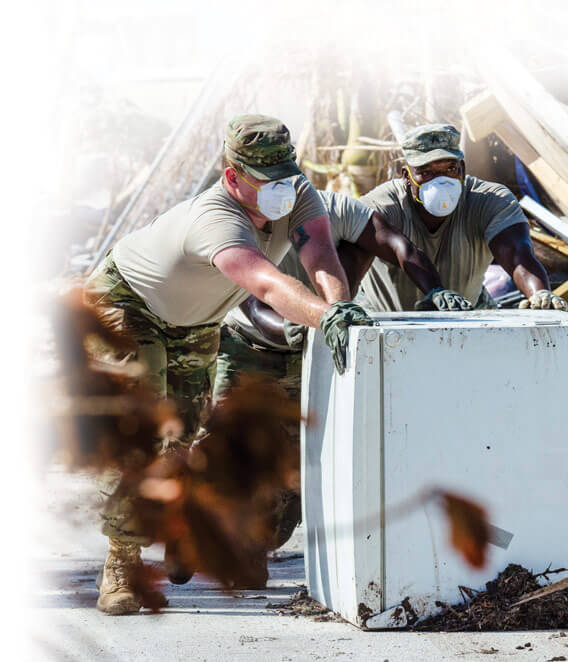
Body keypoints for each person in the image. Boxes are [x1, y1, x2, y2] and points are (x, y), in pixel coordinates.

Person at [83, 114, 371, 615]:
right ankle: (122, 563)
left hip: (194, 323)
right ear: (232, 175)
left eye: (285, 174)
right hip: (125, 303)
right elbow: (264, 283)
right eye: (265, 180)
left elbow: (320, 252)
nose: (281, 189)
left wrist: (339, 307)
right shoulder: (217, 218)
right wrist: (324, 318)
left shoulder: (296, 191)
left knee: (186, 436)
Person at [211, 189, 469, 551]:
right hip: (248, 344)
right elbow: (253, 300)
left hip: (312, 345)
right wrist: (299, 325)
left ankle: (255, 544)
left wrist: (435, 288)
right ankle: (202, 533)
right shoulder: (246, 218)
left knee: (292, 469)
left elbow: (398, 244)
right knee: (223, 448)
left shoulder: (339, 209)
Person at [337, 123, 568, 313]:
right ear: (407, 176)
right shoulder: (382, 206)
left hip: (469, 311)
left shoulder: (490, 201)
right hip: (387, 315)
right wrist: (339, 307)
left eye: (450, 169)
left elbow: (518, 255)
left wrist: (538, 293)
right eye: (426, 172)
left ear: (463, 169)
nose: (441, 181)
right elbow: (353, 261)